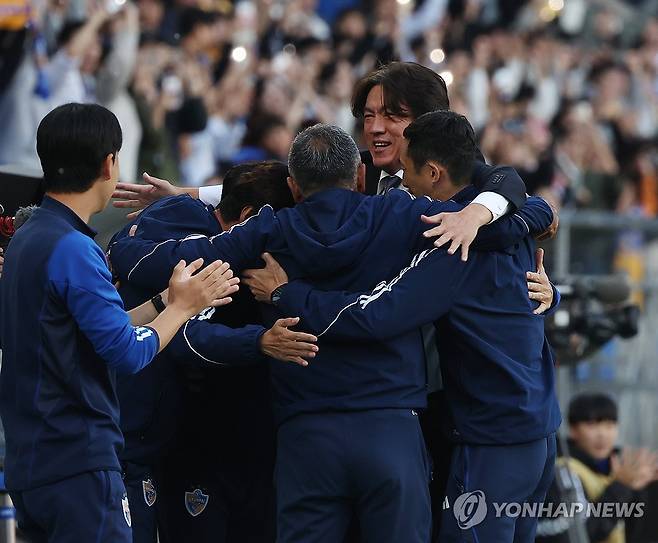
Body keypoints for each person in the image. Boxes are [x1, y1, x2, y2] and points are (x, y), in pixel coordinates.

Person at [109, 122, 555, 543]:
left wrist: (122, 244)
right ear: (361, 175)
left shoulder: (270, 228)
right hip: (390, 431)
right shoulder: (404, 214)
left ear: (294, 187)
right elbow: (498, 214)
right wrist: (540, 213)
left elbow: (172, 259)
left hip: (306, 438)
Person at [243, 111, 561, 543]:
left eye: (406, 170)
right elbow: (532, 204)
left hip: (491, 443)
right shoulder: (506, 220)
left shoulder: (450, 240)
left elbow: (376, 315)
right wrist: (552, 290)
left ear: (433, 172)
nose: (399, 182)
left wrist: (287, 296)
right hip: (538, 436)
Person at [0, 103, 238, 543]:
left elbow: (93, 332)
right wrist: (182, 310)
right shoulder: (75, 249)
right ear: (110, 162)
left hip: (31, 463)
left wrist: (163, 300)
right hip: (78, 463)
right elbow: (127, 351)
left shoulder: (29, 240)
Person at [109, 161, 316, 543]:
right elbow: (187, 334)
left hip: (157, 437)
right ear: (250, 219)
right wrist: (259, 341)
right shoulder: (194, 233)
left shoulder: (191, 228)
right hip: (130, 437)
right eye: (274, 230)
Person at [536, 393, 658, 543]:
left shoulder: (619, 467)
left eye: (609, 425)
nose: (602, 434)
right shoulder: (562, 470)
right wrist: (621, 487)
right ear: (573, 429)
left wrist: (642, 488)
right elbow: (577, 535)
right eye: (592, 425)